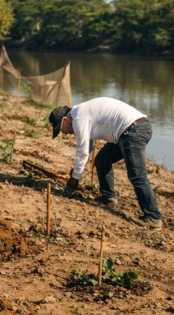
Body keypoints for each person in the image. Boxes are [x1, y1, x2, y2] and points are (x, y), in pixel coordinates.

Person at [48, 98, 162, 228]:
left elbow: (83, 151)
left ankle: (153, 217)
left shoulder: (79, 117)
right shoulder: (81, 114)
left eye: (60, 129)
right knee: (102, 160)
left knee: (137, 175)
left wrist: (74, 179)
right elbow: (88, 148)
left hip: (132, 130)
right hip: (128, 130)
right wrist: (77, 171)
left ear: (65, 120)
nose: (64, 133)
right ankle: (109, 198)